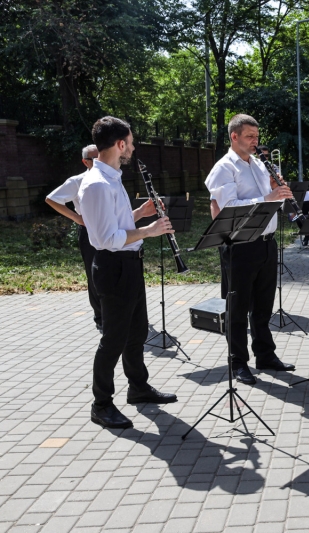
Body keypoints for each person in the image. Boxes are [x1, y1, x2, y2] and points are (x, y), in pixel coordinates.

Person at [77, 116, 177, 429]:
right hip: (113, 266)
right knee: (113, 340)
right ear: (120, 144)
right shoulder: (96, 184)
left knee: (137, 333)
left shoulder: (113, 178)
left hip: (129, 264)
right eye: (131, 143)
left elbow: (117, 224)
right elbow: (106, 238)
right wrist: (149, 230)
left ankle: (138, 388)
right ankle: (101, 404)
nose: (132, 148)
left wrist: (140, 213)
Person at [205, 114, 297, 386]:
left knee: (263, 306)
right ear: (234, 137)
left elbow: (271, 205)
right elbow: (228, 209)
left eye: (257, 137)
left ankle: (265, 355)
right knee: (238, 307)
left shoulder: (258, 165)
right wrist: (268, 196)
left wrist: (277, 193)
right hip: (241, 245)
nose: (256, 142)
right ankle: (238, 362)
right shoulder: (224, 168)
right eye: (249, 137)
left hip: (267, 243)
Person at [45, 144, 102, 332]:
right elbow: (51, 199)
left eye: (100, 156)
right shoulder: (77, 181)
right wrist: (76, 218)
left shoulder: (110, 177)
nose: (98, 161)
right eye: (93, 158)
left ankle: (117, 312)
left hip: (109, 229)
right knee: (94, 272)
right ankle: (100, 316)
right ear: (85, 162)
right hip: (89, 231)